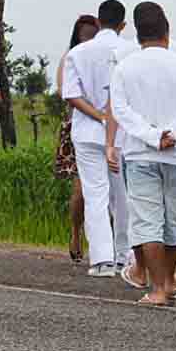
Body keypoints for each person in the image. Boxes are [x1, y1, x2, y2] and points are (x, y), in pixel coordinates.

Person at [111, 2, 176, 305]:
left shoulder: (125, 67)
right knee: (172, 219)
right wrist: (175, 134)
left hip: (141, 152)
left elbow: (120, 110)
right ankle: (168, 280)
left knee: (147, 220)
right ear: (167, 31)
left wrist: (153, 136)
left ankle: (158, 289)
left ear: (138, 35)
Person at [62, 0, 132, 277]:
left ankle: (102, 260)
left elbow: (71, 95)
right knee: (123, 196)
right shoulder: (131, 51)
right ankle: (124, 257)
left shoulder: (78, 53)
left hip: (87, 133)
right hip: (123, 135)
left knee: (95, 195)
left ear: (99, 22)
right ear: (123, 25)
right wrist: (111, 117)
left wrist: (98, 115)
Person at [54, 14, 100, 264]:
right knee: (81, 190)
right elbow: (64, 91)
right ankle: (75, 232)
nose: (88, 40)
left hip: (107, 127)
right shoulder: (70, 57)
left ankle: (104, 244)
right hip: (78, 127)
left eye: (93, 34)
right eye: (84, 35)